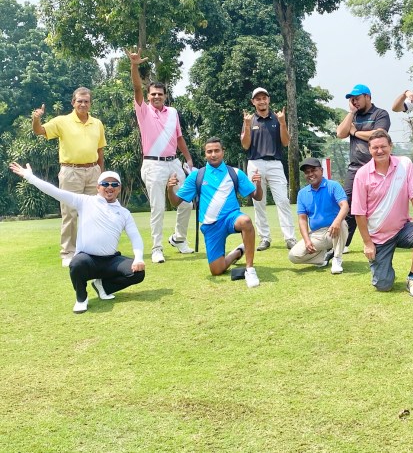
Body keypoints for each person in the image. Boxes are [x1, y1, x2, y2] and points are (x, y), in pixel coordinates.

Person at [10, 163, 145, 314]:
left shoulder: (124, 213)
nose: (109, 187)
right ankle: (81, 298)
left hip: (110, 260)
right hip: (88, 260)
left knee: (138, 273)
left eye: (114, 184)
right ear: (98, 187)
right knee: (76, 263)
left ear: (119, 188)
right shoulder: (85, 201)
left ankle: (103, 286)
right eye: (105, 184)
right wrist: (30, 177)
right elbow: (55, 191)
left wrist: (138, 258)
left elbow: (135, 237)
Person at [168, 137, 264, 288]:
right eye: (209, 151)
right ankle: (238, 252)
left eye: (217, 150)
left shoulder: (235, 173)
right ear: (205, 154)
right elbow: (176, 202)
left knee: (245, 221)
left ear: (223, 152)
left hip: (231, 218)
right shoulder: (197, 176)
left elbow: (257, 197)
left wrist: (258, 185)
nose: (213, 154)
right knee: (217, 270)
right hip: (211, 225)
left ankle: (250, 270)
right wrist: (170, 189)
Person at [127, 48, 194, 264]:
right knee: (157, 208)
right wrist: (134, 65)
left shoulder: (173, 112)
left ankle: (179, 239)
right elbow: (136, 87)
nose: (156, 97)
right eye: (153, 94)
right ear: (148, 96)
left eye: (160, 94)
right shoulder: (143, 111)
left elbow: (179, 137)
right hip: (153, 165)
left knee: (186, 203)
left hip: (173, 163)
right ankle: (157, 248)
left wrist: (188, 159)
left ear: (165, 96)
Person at [351, 130, 413, 296]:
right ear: (369, 149)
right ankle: (384, 271)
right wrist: (367, 243)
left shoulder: (405, 164)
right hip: (378, 237)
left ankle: (412, 278)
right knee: (383, 285)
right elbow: (359, 212)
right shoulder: (362, 174)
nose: (379, 150)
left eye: (383, 146)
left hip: (402, 229)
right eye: (375, 148)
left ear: (391, 146)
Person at [31, 87, 106, 267]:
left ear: (90, 103)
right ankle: (68, 252)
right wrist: (36, 119)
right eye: (79, 101)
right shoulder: (62, 121)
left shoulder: (97, 123)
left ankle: (92, 250)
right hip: (71, 171)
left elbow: (100, 151)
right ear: (73, 102)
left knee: (93, 212)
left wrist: (101, 175)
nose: (83, 104)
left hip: (93, 170)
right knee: (70, 214)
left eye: (86, 101)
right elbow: (39, 131)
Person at [335, 84, 390, 254]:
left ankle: (383, 240)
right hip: (355, 168)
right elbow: (340, 133)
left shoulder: (380, 114)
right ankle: (344, 243)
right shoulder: (353, 116)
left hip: (376, 167)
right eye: (352, 99)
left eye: (357, 98)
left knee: (379, 205)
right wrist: (351, 113)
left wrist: (355, 132)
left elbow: (378, 135)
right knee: (347, 205)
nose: (354, 101)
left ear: (368, 97)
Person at [240, 87, 296, 251]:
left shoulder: (278, 118)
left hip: (275, 163)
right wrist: (247, 126)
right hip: (255, 164)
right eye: (258, 99)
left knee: (283, 200)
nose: (261, 101)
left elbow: (286, 142)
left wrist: (283, 123)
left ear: (268, 99)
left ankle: (290, 238)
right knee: (259, 202)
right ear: (253, 102)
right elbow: (245, 145)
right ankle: (264, 238)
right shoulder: (249, 120)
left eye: (264, 98)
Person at [288, 157, 349, 274]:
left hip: (334, 230)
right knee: (294, 256)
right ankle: (323, 257)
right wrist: (307, 240)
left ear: (321, 170)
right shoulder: (302, 193)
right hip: (316, 234)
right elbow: (302, 220)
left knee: (342, 223)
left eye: (313, 170)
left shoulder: (333, 185)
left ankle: (337, 259)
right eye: (307, 172)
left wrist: (336, 222)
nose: (310, 174)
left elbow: (344, 206)